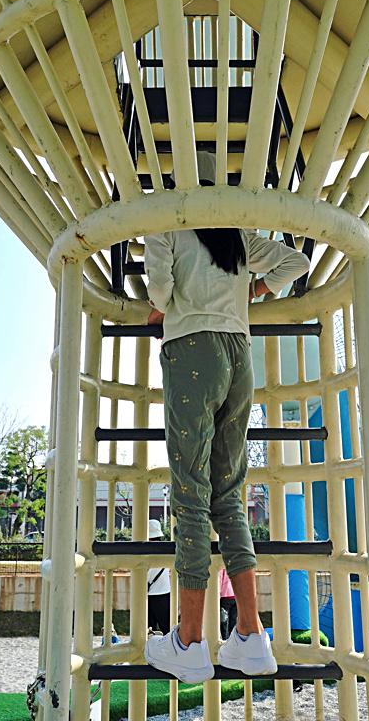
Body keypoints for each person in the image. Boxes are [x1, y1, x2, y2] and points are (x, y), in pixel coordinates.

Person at [142, 227, 309, 683]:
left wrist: (160, 308)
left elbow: (159, 287)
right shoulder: (237, 233)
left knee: (190, 495)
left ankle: (190, 639)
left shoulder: (167, 219)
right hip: (240, 353)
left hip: (192, 347)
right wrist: (253, 289)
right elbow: (298, 263)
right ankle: (251, 634)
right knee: (229, 495)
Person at [146, 518, 172, 635]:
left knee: (148, 629)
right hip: (164, 593)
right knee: (167, 628)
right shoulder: (165, 550)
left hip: (149, 595)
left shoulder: (146, 553)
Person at [218, 567, 237, 640]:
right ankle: (233, 641)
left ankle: (224, 641)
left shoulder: (222, 565)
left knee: (224, 622)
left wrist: (217, 596)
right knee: (234, 621)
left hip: (225, 596)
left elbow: (219, 579)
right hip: (235, 595)